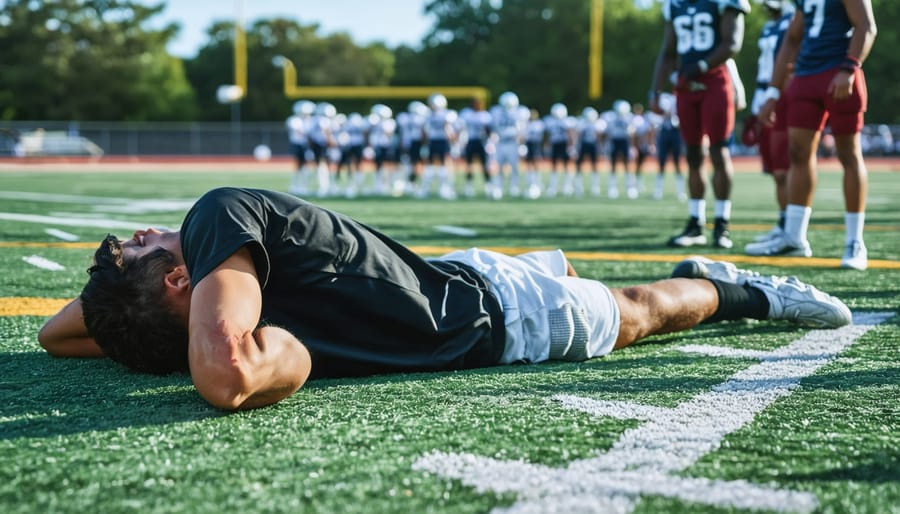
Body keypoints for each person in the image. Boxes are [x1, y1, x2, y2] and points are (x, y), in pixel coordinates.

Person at [38, 187, 852, 411]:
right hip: (487, 322)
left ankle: (744, 292)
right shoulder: (209, 222)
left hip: (469, 297)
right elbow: (227, 378)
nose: (141, 232)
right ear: (177, 283)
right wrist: (144, 302)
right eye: (141, 249)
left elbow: (54, 337)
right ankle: (728, 286)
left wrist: (133, 299)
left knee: (645, 304)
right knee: (637, 310)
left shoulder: (217, 259)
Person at [747, 0, 876, 271]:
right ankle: (794, 236)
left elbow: (866, 26)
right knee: (798, 153)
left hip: (838, 71)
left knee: (848, 153)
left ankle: (855, 241)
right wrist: (772, 91)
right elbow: (793, 38)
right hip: (805, 75)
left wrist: (850, 67)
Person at [649, 0, 752, 249]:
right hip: (686, 85)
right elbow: (668, 50)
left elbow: (732, 43)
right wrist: (655, 89)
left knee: (719, 150)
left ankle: (722, 223)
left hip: (715, 81)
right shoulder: (674, 4)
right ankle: (696, 223)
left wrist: (701, 65)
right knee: (693, 153)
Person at [746, 0, 794, 244]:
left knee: (785, 166)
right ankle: (784, 220)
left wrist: (776, 95)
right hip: (765, 94)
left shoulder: (794, 19)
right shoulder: (769, 26)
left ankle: (792, 226)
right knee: (775, 169)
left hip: (782, 96)